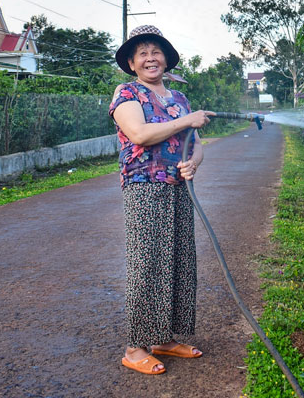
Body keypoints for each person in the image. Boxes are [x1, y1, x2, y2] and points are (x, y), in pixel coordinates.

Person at [108, 25, 215, 375]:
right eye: (143, 53)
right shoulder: (127, 93)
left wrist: (192, 163)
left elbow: (195, 145)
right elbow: (139, 133)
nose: (151, 58)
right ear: (131, 62)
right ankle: (134, 347)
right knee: (149, 264)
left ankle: (165, 338)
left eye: (156, 51)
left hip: (177, 188)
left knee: (180, 261)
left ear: (166, 59)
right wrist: (188, 119)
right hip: (144, 188)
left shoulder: (179, 99)